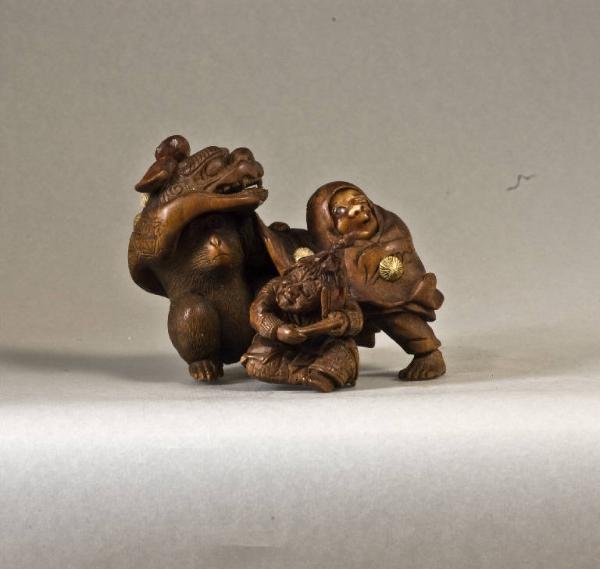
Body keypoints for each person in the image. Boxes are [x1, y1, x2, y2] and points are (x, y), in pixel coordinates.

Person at [306, 181, 446, 380]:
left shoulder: (392, 230)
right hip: (341, 298)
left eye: (360, 201)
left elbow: (401, 258)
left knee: (394, 314)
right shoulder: (325, 251)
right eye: (341, 210)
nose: (357, 209)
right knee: (314, 315)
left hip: (384, 292)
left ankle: (428, 352)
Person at [241, 249, 363, 392]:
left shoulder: (336, 300)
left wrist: (344, 320)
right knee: (255, 361)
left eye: (305, 292)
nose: (291, 290)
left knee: (344, 353)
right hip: (282, 348)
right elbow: (257, 311)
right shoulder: (273, 287)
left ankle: (323, 372)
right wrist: (278, 330)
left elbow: (357, 318)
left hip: (321, 347)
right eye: (290, 281)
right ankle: (305, 375)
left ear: (322, 301)